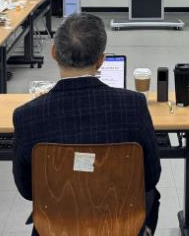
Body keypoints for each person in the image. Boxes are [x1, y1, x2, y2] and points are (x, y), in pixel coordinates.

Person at [12, 13, 161, 234]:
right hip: (121, 227)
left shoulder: (27, 116)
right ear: (101, 60)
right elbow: (151, 177)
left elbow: (27, 190)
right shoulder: (134, 106)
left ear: (54, 53)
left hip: (55, 228)